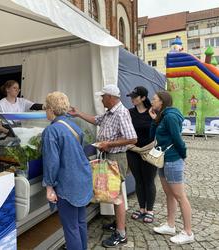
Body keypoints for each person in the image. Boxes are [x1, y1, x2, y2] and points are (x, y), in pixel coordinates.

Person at [69, 84, 137, 248]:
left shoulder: (121, 113)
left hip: (115, 157)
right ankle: (118, 224)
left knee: (117, 196)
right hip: (110, 156)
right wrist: (78, 113)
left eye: (103, 96)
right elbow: (96, 120)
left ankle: (121, 234)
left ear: (111, 98)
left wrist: (109, 144)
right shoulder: (109, 112)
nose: (101, 99)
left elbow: (133, 138)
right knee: (114, 194)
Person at [42, 91, 93, 250]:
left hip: (68, 182)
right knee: (80, 222)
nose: (45, 111)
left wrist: (49, 186)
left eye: (46, 108)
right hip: (82, 178)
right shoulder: (74, 125)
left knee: (70, 227)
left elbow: (51, 162)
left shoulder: (51, 130)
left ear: (51, 109)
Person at [149, 91, 195, 245]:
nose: (152, 100)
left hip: (173, 159)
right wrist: (154, 120)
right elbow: (152, 136)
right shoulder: (161, 116)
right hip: (162, 159)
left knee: (180, 196)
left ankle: (188, 232)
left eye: (154, 99)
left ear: (162, 101)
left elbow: (177, 139)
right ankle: (170, 225)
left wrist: (182, 155)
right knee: (169, 193)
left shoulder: (170, 116)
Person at [126, 86, 157, 223]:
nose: (132, 99)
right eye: (131, 96)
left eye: (135, 96)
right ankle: (141, 209)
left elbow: (160, 129)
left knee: (149, 181)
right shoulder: (129, 112)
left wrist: (155, 119)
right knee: (138, 180)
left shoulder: (153, 112)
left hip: (150, 150)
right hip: (133, 151)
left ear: (143, 98)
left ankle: (150, 210)